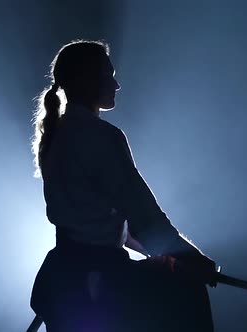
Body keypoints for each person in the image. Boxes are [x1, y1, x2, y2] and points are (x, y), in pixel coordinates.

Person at [29, 39, 217, 332]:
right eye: (108, 75)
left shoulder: (55, 136)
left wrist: (168, 255)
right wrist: (193, 260)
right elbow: (145, 217)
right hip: (102, 285)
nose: (116, 85)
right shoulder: (102, 137)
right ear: (86, 79)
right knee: (187, 294)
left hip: (64, 282)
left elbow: (102, 226)